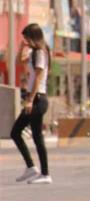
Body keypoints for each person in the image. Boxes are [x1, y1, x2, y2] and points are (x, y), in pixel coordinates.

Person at [11, 23, 53, 184]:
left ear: (33, 37)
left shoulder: (41, 53)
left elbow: (38, 78)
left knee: (16, 132)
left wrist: (29, 100)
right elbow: (18, 61)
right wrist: (22, 47)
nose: (25, 40)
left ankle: (41, 172)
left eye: (26, 38)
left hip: (38, 99)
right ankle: (36, 170)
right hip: (35, 98)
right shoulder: (34, 53)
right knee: (35, 136)